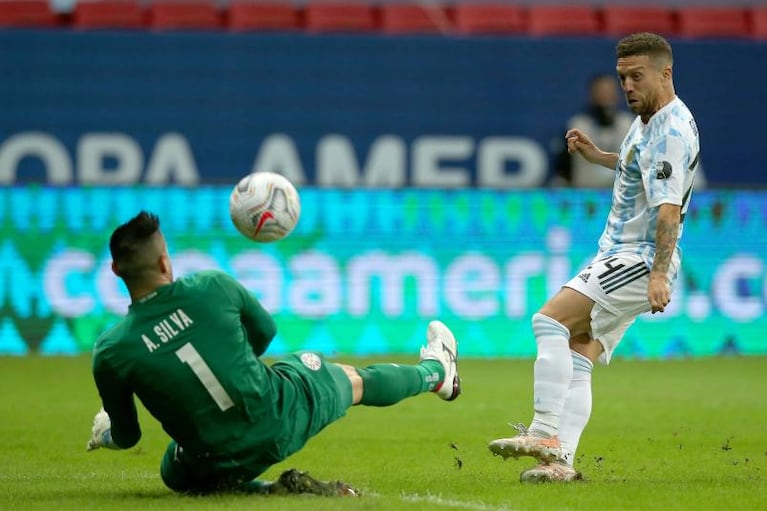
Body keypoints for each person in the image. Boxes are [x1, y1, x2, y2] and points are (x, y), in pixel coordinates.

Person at [86, 210, 461, 495]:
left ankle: (263, 489)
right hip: (277, 412)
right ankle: (437, 372)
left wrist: (106, 433)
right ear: (165, 262)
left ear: (116, 270)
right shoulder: (211, 286)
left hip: (211, 459)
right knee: (349, 378)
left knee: (174, 469)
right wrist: (236, 364)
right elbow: (265, 332)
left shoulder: (111, 350)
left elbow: (129, 437)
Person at [488, 32, 700, 483]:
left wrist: (658, 275)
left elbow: (667, 209)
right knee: (579, 353)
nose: (627, 86)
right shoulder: (649, 122)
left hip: (639, 258)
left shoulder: (670, 133)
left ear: (666, 73)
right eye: (623, 76)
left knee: (549, 321)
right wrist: (596, 155)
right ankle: (561, 463)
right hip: (628, 256)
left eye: (636, 76)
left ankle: (545, 431)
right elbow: (634, 168)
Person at [551, 73, 635, 188]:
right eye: (600, 92)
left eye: (609, 92)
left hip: (622, 195)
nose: (605, 97)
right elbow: (563, 168)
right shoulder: (577, 126)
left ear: (618, 95)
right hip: (585, 193)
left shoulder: (630, 125)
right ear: (591, 95)